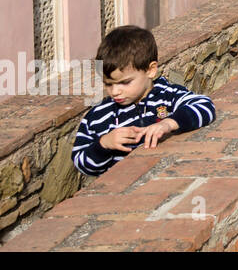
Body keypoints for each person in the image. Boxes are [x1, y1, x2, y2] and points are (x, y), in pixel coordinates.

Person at [72, 26, 216, 177]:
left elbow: (205, 106)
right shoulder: (99, 116)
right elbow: (80, 162)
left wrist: (167, 124)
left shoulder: (167, 96)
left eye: (125, 82)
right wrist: (103, 145)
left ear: (150, 70)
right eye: (108, 84)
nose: (115, 91)